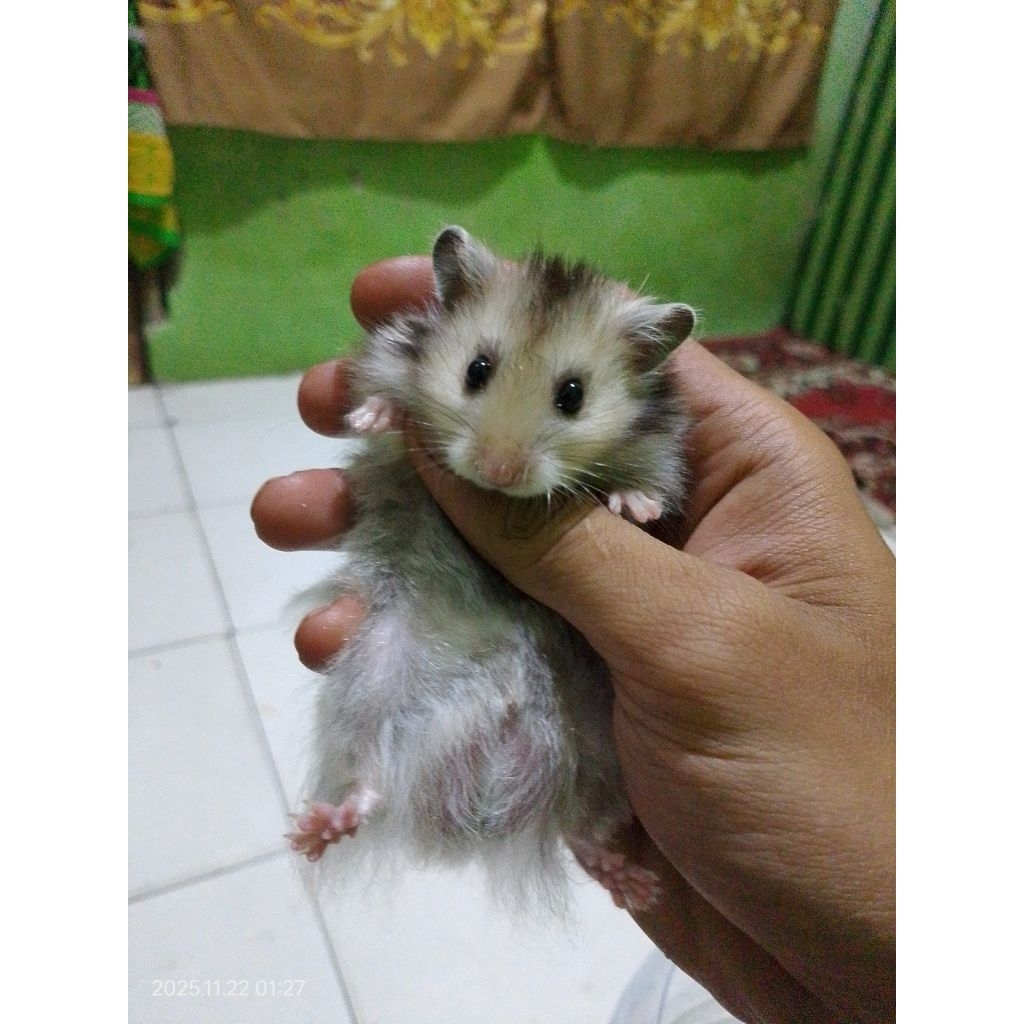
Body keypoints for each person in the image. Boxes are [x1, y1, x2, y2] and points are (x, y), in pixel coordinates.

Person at [251, 256, 896, 1024]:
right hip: (423, 594)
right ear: (448, 324)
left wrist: (633, 490)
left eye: (568, 396)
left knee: (584, 703)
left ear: (641, 369)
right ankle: (364, 786)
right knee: (379, 645)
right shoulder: (415, 357)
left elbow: (657, 459)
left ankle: (587, 825)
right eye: (480, 371)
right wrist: (388, 406)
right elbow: (385, 364)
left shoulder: (649, 427)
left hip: (542, 644)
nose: (501, 462)